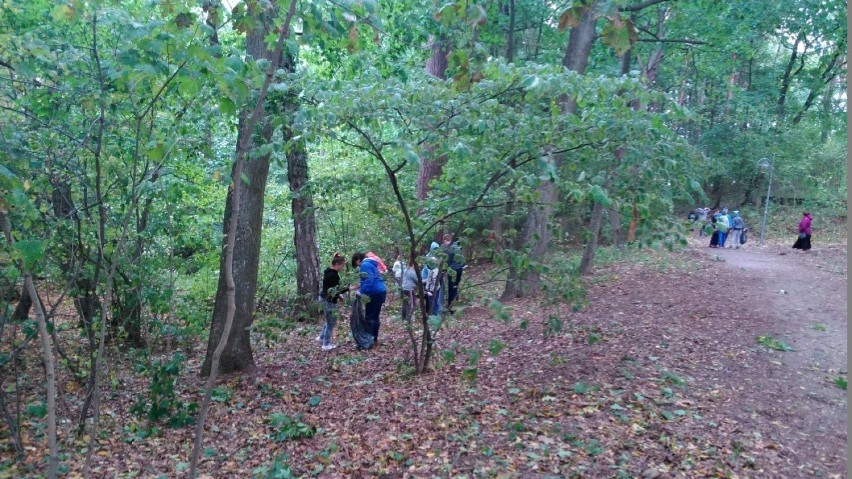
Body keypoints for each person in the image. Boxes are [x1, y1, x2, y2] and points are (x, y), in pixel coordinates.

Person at [351, 251, 387, 343]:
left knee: (370, 317)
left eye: (357, 265)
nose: (359, 267)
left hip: (374, 293)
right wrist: (359, 287)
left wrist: (361, 292)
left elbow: (369, 280)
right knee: (375, 316)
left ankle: (369, 339)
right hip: (380, 291)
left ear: (359, 260)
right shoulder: (371, 264)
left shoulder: (365, 265)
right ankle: (374, 337)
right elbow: (369, 279)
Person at [317, 253, 348, 351]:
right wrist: (350, 287)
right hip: (328, 301)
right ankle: (326, 344)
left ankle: (321, 337)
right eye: (342, 265)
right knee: (331, 322)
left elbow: (332, 288)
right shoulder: (333, 275)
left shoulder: (328, 271)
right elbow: (337, 289)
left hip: (325, 298)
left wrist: (339, 296)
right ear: (337, 264)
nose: (342, 268)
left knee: (328, 320)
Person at [441, 234, 465, 313]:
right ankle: (456, 307)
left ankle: (452, 310)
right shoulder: (458, 247)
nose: (443, 244)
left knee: (451, 289)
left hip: (453, 270)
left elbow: (447, 262)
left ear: (446, 241)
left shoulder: (449, 249)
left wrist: (444, 270)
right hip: (460, 269)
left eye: (444, 242)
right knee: (455, 287)